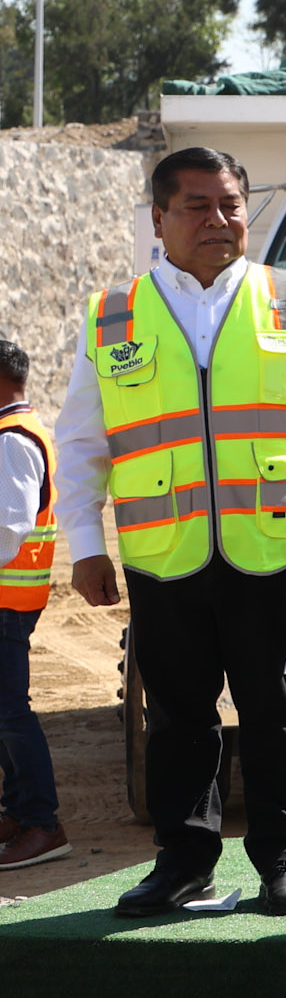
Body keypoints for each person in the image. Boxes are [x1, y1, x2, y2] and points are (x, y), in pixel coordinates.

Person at [63, 147, 286, 915]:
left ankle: (283, 861)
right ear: (159, 219)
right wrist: (86, 546)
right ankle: (183, 863)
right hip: (164, 555)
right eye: (197, 206)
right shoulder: (112, 316)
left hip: (274, 550)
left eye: (231, 204)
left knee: (273, 711)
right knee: (177, 719)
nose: (219, 220)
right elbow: (81, 443)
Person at [0, 336, 70, 871]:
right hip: (12, 595)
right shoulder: (22, 431)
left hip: (7, 599)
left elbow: (11, 526)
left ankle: (43, 824)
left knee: (10, 712)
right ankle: (18, 814)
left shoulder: (12, 440)